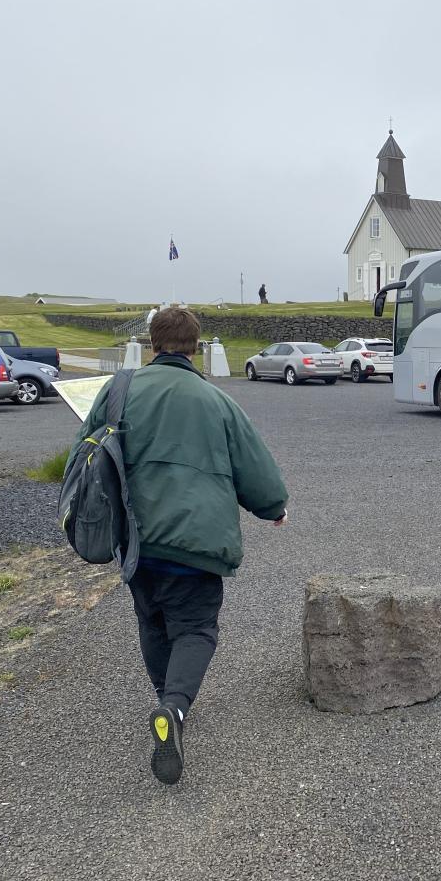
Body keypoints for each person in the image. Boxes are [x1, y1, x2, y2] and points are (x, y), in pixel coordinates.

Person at [69, 307, 289, 785]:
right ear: (197, 346)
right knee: (195, 628)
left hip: (136, 540)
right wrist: (274, 508)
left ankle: (166, 699)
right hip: (196, 541)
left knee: (151, 618)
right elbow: (255, 467)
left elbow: (82, 452)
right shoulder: (216, 401)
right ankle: (174, 708)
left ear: (152, 343)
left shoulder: (118, 390)